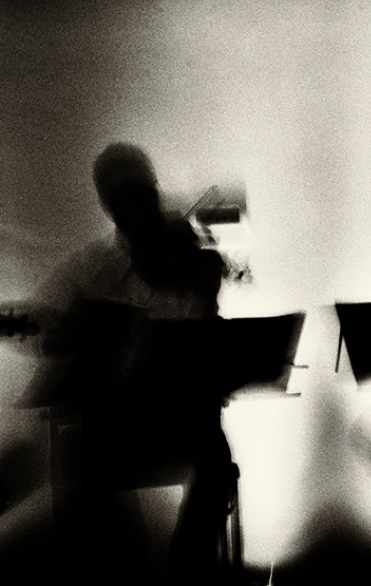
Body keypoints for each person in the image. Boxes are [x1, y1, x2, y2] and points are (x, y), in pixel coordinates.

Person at [32, 142, 232, 585]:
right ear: (110, 208)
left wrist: (203, 287)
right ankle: (127, 570)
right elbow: (47, 332)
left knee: (215, 460)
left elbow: (205, 340)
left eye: (146, 196)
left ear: (155, 194)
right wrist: (65, 333)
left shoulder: (188, 257)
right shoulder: (91, 267)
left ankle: (186, 573)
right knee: (83, 462)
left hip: (183, 417)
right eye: (124, 202)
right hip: (119, 424)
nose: (140, 212)